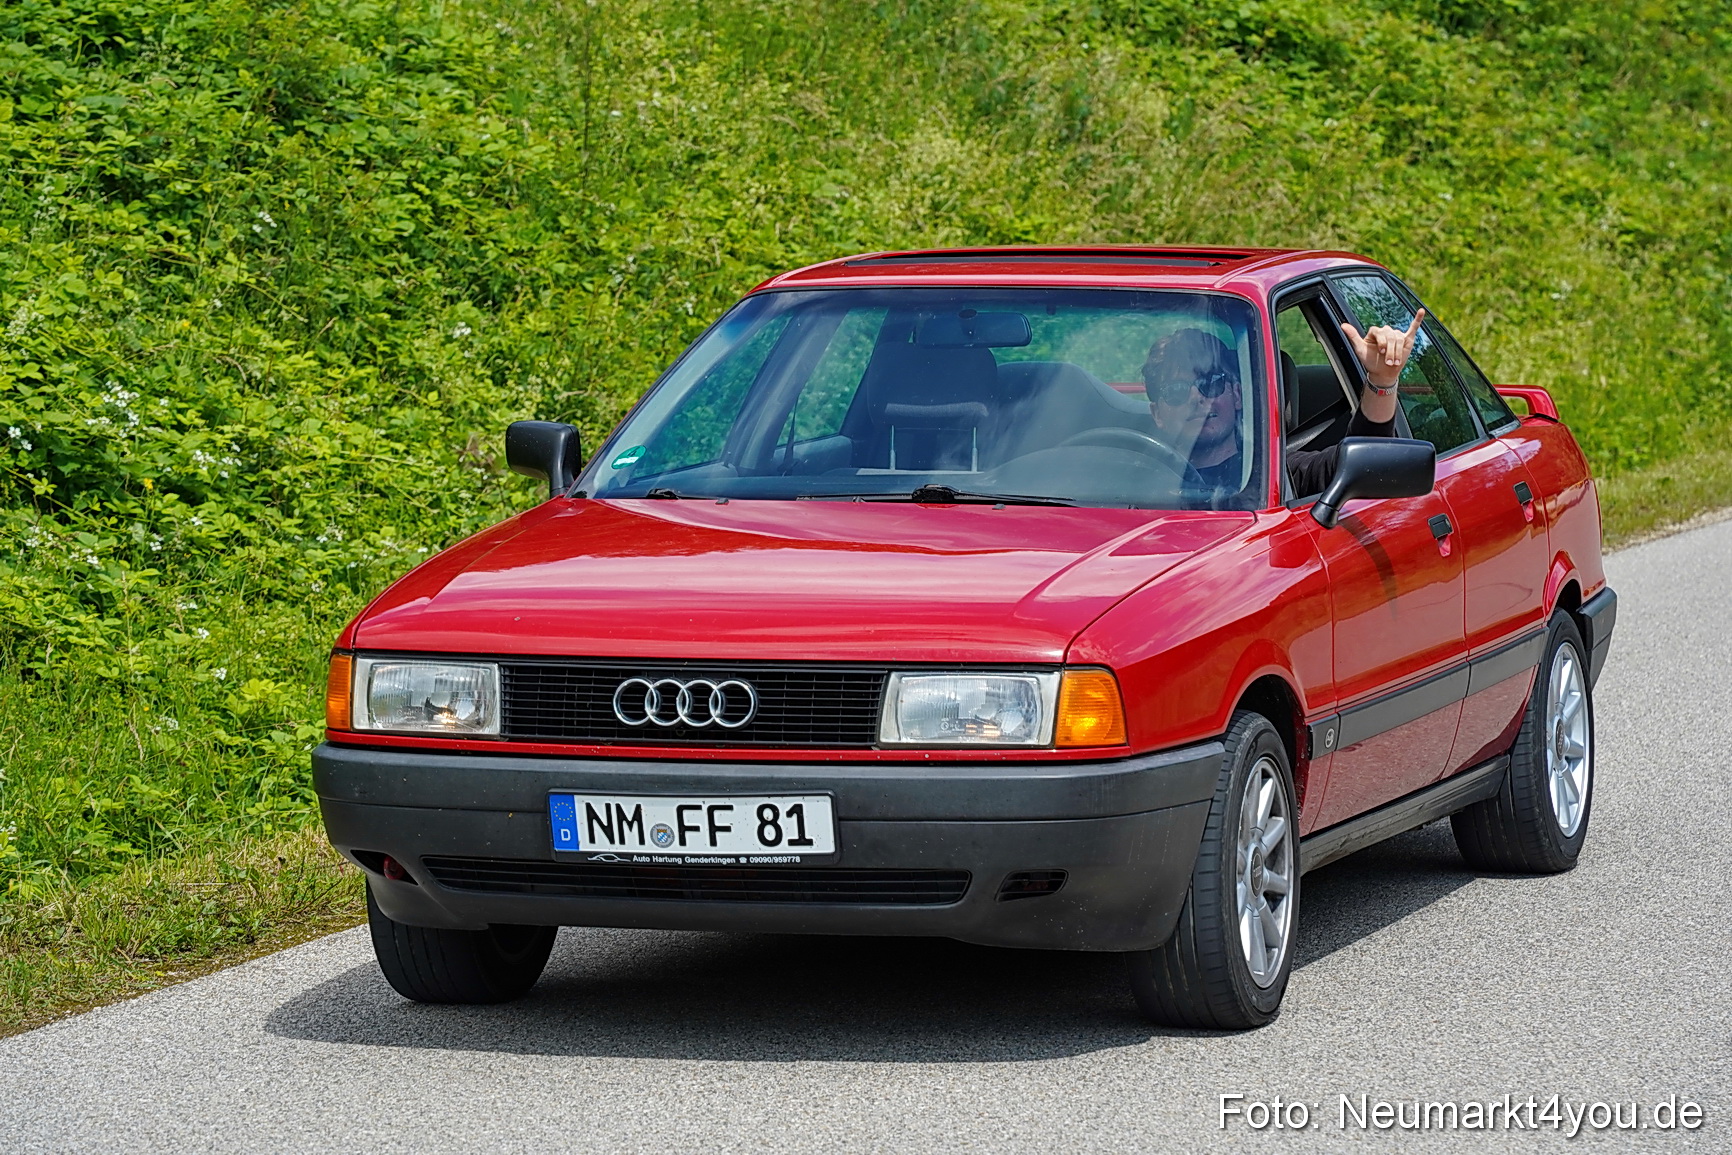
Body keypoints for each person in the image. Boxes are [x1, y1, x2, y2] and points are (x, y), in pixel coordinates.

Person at [1141, 311, 1426, 497]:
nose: (1197, 397)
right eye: (1177, 390)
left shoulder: (1279, 475)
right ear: (1157, 414)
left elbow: (1367, 458)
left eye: (1211, 382)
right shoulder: (1130, 478)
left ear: (1237, 395)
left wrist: (1382, 379)